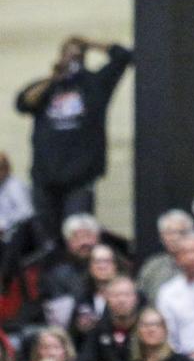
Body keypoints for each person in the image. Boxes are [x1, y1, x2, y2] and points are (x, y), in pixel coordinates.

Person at [14, 36, 133, 240]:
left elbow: (125, 56)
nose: (72, 57)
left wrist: (90, 43)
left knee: (78, 234)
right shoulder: (48, 86)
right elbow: (23, 103)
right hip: (45, 177)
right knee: (46, 239)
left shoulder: (95, 84)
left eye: (77, 53)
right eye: (67, 53)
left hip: (80, 177)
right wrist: (54, 78)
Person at [78, 276, 139, 361]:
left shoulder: (145, 327)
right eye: (116, 295)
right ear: (107, 298)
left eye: (127, 295)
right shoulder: (98, 330)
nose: (122, 300)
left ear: (135, 298)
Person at [135, 212, 192, 306]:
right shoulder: (152, 266)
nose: (175, 237)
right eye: (169, 233)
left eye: (181, 232)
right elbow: (139, 296)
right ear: (162, 237)